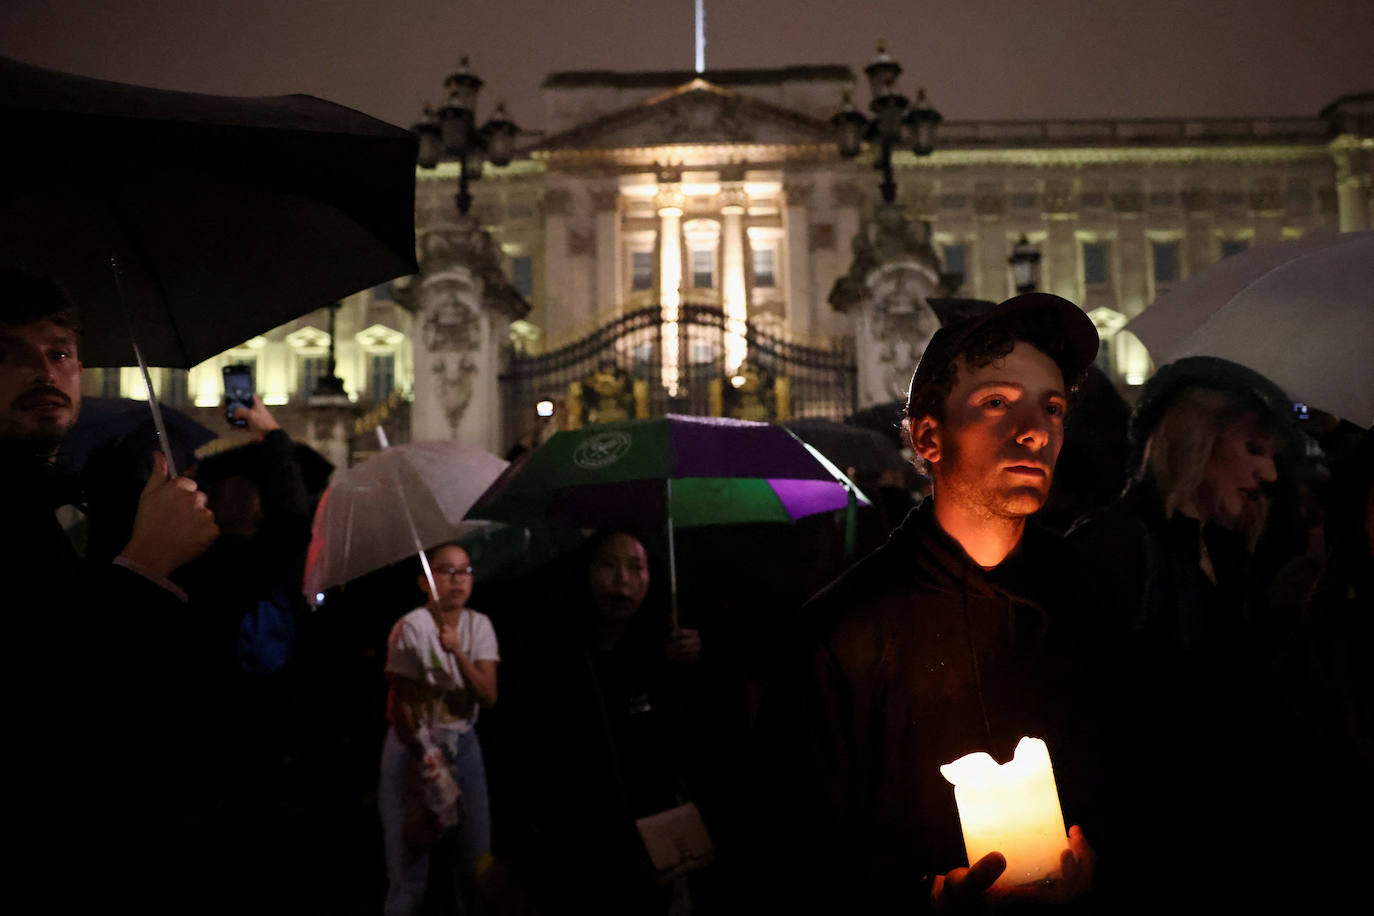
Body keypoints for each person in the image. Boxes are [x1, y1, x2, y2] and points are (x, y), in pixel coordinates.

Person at [751, 293, 1100, 914]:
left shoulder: (1101, 601)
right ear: (928, 436)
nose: (1036, 428)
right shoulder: (844, 630)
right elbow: (788, 848)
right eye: (997, 402)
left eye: (1052, 407)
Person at [1064, 356, 1351, 910]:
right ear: (1196, 439)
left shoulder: (1224, 550)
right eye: (1253, 450)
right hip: (1148, 866)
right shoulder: (1117, 547)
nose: (1268, 475)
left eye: (1271, 456)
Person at [380, 542, 500, 916]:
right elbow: (402, 707)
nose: (457, 580)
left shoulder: (478, 625)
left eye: (464, 571)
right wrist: (426, 764)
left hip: (464, 744)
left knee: (477, 861)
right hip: (415, 747)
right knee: (409, 870)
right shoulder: (411, 627)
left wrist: (458, 652)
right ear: (425, 581)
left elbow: (488, 695)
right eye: (445, 571)